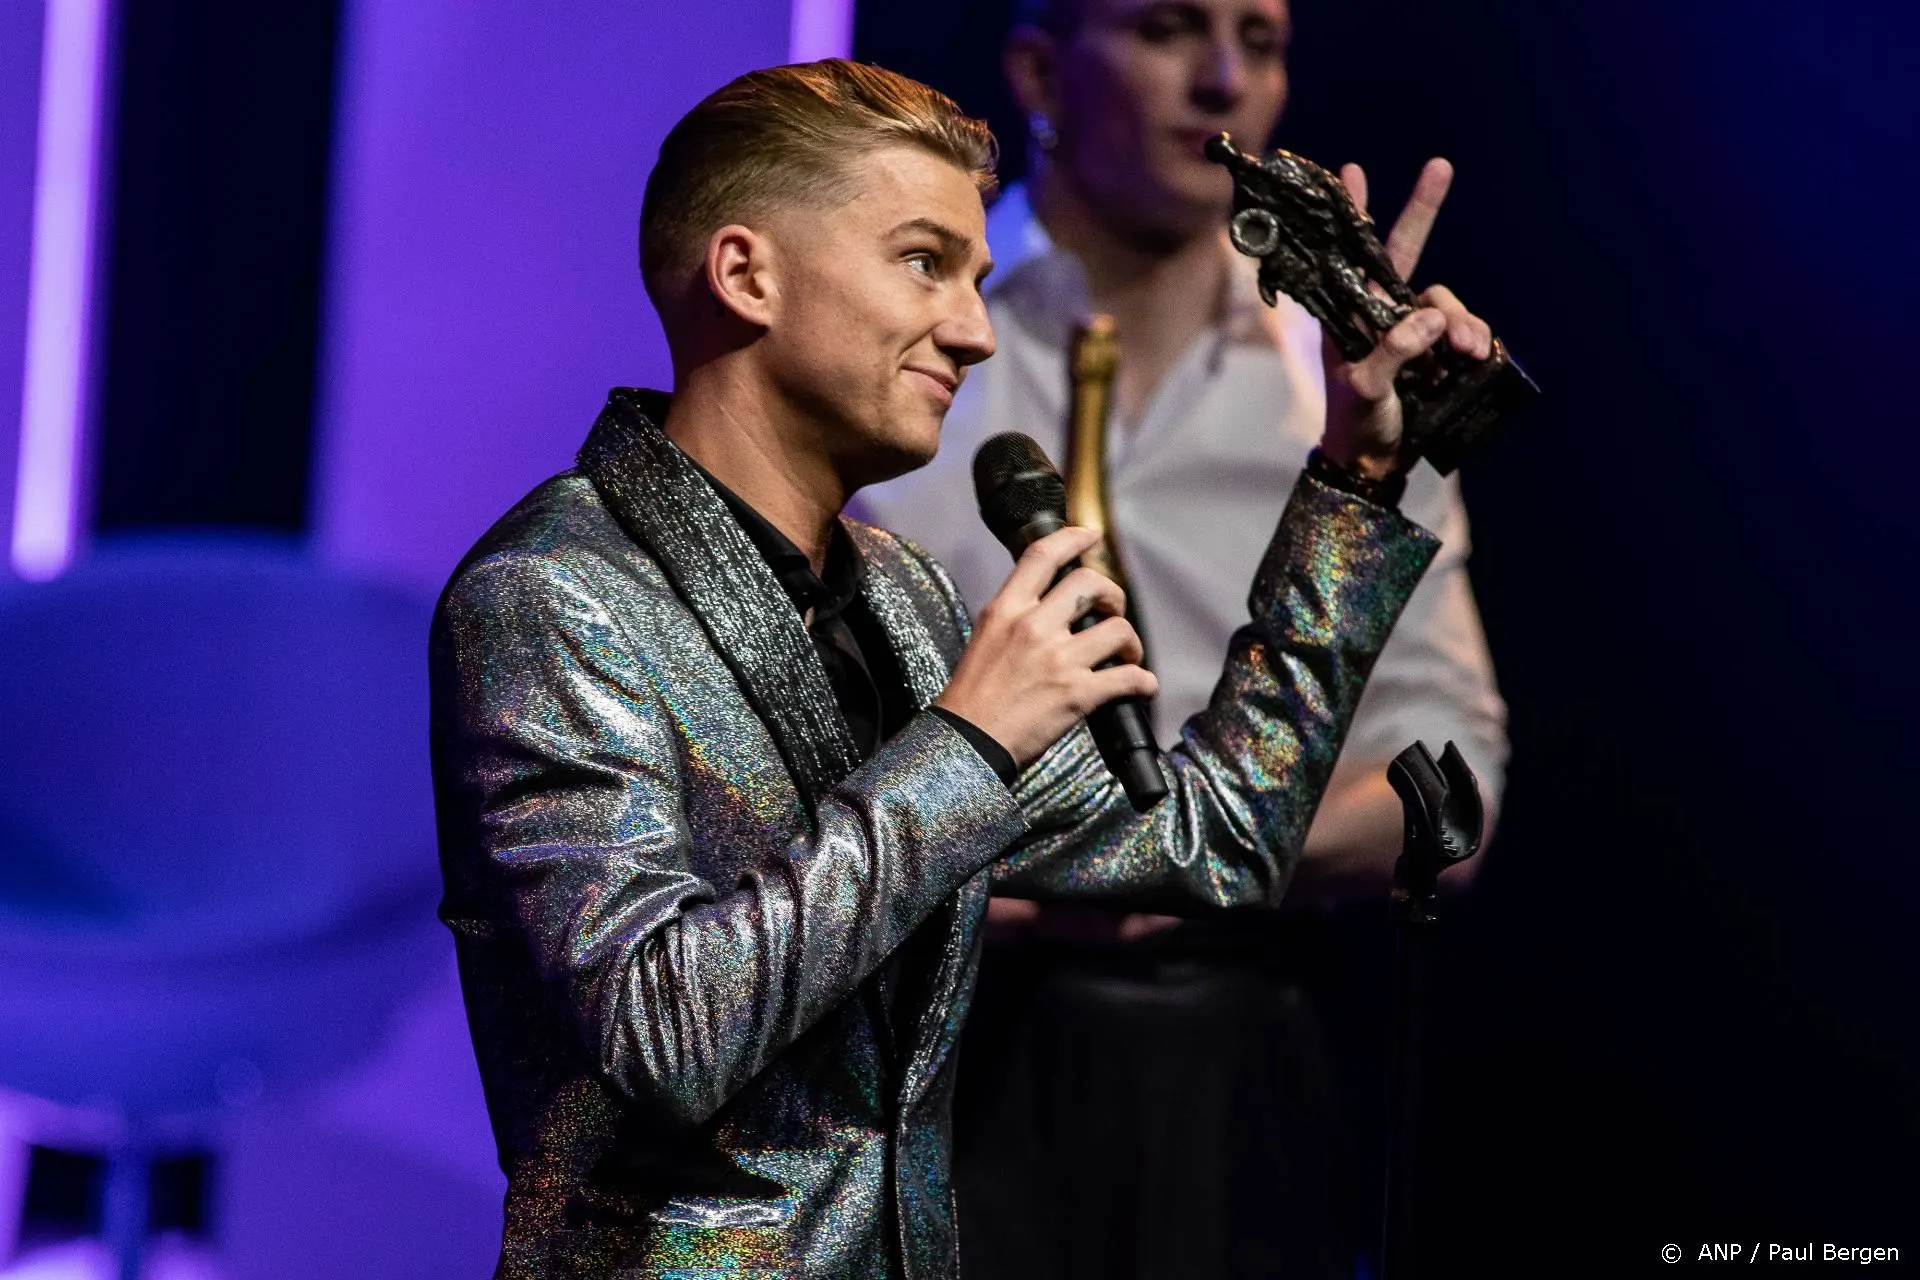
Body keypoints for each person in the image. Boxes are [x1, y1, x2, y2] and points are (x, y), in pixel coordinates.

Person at [430, 58, 1489, 1279]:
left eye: (980, 279)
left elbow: (1219, 840)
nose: (977, 331)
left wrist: (1357, 476)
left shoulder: (902, 594)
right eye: (925, 262)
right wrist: (971, 746)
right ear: (745, 273)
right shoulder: (554, 594)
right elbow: (661, 1034)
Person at [853, 0, 1509, 1274]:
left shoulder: (1349, 384)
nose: (1221, 81)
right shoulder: (906, 346)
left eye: (1259, 43)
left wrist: (1176, 864)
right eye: (1165, 28)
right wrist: (1041, 880)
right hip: (925, 1044)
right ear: (1041, 67)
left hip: (1236, 1050)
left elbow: (1455, 783)